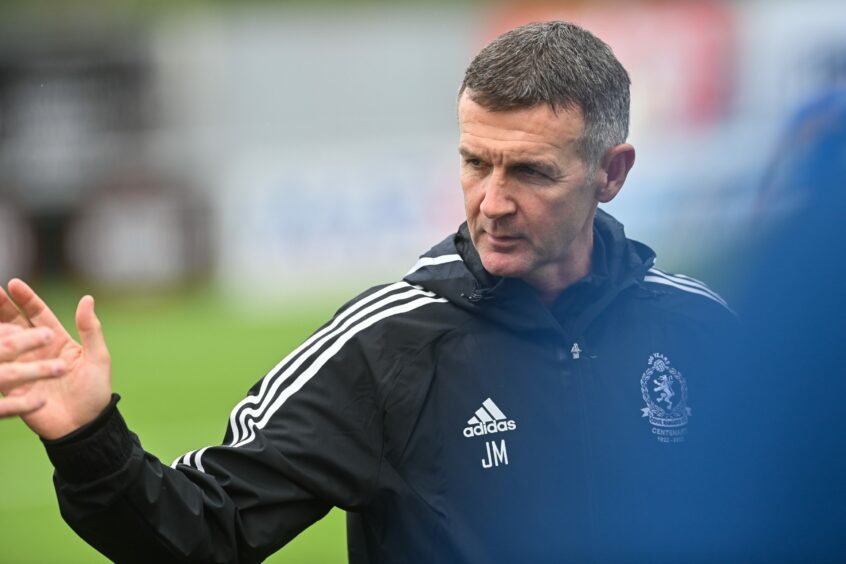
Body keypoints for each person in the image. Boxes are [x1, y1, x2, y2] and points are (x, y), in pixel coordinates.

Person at [0, 22, 735, 563]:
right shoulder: (386, 346)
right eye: (476, 163)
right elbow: (205, 531)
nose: (492, 202)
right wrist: (87, 436)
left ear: (612, 172)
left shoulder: (703, 330)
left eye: (532, 173)